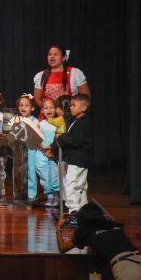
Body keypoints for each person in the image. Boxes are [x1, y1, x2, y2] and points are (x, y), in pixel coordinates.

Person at [57, 94, 93, 223]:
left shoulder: (83, 122)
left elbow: (76, 141)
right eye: (70, 105)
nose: (71, 108)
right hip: (78, 159)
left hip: (77, 159)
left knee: (71, 185)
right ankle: (84, 213)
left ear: (83, 107)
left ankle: (74, 213)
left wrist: (61, 138)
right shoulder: (77, 121)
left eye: (74, 105)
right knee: (81, 186)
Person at [37, 98, 61, 207]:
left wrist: (51, 149)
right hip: (41, 154)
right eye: (46, 108)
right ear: (42, 110)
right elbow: (36, 138)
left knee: (54, 176)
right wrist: (42, 147)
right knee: (44, 177)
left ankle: (56, 195)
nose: (49, 110)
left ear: (55, 109)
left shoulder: (59, 123)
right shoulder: (40, 124)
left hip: (53, 154)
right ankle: (49, 196)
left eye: (51, 107)